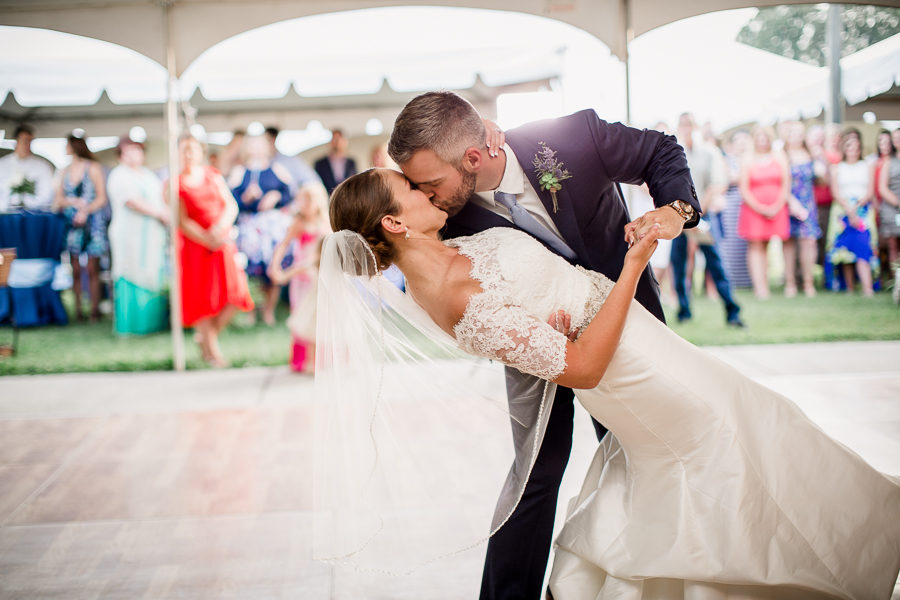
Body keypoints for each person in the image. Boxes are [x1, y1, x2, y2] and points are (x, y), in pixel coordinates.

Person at [320, 167, 900, 599]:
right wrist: (632, 267)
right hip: (627, 372)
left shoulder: (455, 250)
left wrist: (545, 321)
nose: (428, 191)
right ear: (394, 222)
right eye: (413, 191)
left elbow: (533, 309)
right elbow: (585, 368)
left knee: (750, 421)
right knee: (724, 442)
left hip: (642, 346)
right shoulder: (454, 298)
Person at [387, 91, 700, 600]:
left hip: (628, 323)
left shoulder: (569, 137)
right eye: (418, 188)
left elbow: (660, 151)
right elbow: (383, 218)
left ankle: (645, 578)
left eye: (430, 184)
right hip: (535, 343)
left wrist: (676, 209)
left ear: (473, 157)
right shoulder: (447, 215)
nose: (426, 196)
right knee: (537, 469)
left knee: (641, 452)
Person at [175, 135, 254, 367]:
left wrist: (219, 229)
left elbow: (230, 205)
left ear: (201, 152)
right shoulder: (176, 183)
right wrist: (205, 238)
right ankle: (212, 351)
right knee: (202, 299)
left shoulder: (213, 175)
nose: (188, 154)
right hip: (194, 246)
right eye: (184, 150)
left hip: (222, 241)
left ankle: (207, 339)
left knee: (235, 294)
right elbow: (181, 220)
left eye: (192, 150)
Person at [671, 113, 742, 326]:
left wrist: (699, 211)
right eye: (682, 124)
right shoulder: (675, 152)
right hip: (680, 216)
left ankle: (732, 311)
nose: (687, 128)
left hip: (704, 215)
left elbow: (717, 184)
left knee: (716, 263)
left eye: (690, 124)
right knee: (679, 264)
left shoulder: (709, 152)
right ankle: (683, 310)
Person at [106, 136, 169, 335]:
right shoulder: (119, 175)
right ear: (121, 155)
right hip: (129, 234)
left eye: (137, 150)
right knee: (131, 272)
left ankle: (152, 322)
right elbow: (131, 201)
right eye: (129, 151)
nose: (134, 155)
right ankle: (131, 325)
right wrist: (159, 213)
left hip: (151, 235)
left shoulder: (148, 175)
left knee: (151, 273)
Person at [229, 134, 294, 325]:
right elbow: (231, 198)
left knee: (273, 267)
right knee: (252, 270)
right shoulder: (240, 171)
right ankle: (250, 311)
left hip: (272, 228)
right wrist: (246, 199)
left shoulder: (276, 169)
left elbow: (290, 193)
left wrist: (275, 196)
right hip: (250, 227)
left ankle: (268, 311)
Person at [267, 183, 330, 373]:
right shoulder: (298, 224)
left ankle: (320, 359)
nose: (307, 204)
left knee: (319, 316)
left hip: (318, 277)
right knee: (302, 316)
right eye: (304, 200)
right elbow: (284, 245)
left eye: (311, 200)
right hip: (300, 278)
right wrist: (275, 265)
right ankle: (302, 360)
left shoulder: (325, 223)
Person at [53, 132, 109, 322]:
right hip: (72, 225)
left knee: (92, 268)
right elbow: (58, 199)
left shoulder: (93, 168)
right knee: (75, 268)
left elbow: (101, 197)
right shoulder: (64, 171)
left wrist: (86, 210)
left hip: (92, 223)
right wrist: (72, 202)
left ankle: (94, 309)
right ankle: (78, 309)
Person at [737, 125, 791, 299]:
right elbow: (743, 188)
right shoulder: (747, 159)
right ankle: (760, 287)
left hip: (777, 207)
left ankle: (770, 283)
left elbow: (785, 184)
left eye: (765, 137)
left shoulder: (779, 156)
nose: (762, 141)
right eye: (759, 137)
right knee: (756, 246)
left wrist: (777, 205)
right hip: (753, 209)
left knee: (768, 245)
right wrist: (760, 207)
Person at [827, 130, 878, 296]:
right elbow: (835, 192)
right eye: (849, 146)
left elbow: (870, 191)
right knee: (845, 252)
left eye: (856, 147)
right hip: (842, 211)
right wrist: (848, 209)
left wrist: (856, 209)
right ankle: (848, 287)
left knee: (863, 248)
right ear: (844, 148)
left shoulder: (867, 166)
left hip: (862, 209)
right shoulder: (837, 168)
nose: (853, 150)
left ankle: (867, 288)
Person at [782, 121, 821, 298]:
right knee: (788, 242)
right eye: (793, 133)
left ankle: (808, 282)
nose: (796, 136)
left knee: (809, 241)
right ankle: (790, 282)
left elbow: (822, 179)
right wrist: (791, 202)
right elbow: (780, 182)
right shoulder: (782, 154)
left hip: (808, 202)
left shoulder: (811, 154)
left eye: (799, 133)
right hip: (787, 200)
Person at [719, 129, 752, 288]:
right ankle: (731, 280)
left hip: (750, 204)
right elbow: (727, 179)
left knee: (747, 243)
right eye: (739, 140)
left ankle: (748, 281)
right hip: (732, 205)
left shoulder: (751, 159)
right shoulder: (727, 159)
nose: (743, 143)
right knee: (730, 242)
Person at [0, 124, 55, 211]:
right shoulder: (2, 164)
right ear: (16, 141)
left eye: (30, 141)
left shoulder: (43, 166)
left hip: (33, 214)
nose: (27, 145)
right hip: (5, 213)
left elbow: (47, 194)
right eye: (25, 140)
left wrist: (28, 203)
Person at [877, 129, 900, 270]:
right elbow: (882, 187)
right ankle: (896, 283)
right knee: (893, 245)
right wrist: (898, 203)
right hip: (892, 208)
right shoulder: (888, 161)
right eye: (895, 138)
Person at [314, 128, 358, 194]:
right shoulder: (320, 164)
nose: (337, 143)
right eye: (334, 139)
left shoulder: (351, 163)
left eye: (339, 139)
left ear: (344, 142)